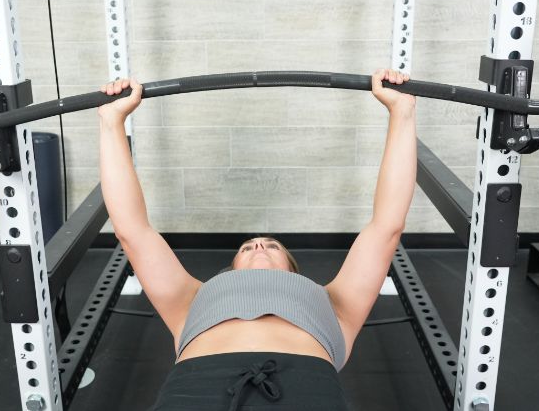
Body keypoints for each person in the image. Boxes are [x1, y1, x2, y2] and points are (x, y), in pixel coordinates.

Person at [98, 69, 417, 410]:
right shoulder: (193, 298)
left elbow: (387, 227)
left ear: (295, 272)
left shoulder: (333, 301)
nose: (259, 246)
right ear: (231, 270)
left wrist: (402, 112)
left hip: (306, 390)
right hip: (196, 387)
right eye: (247, 247)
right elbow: (132, 232)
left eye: (271, 245)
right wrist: (111, 121)